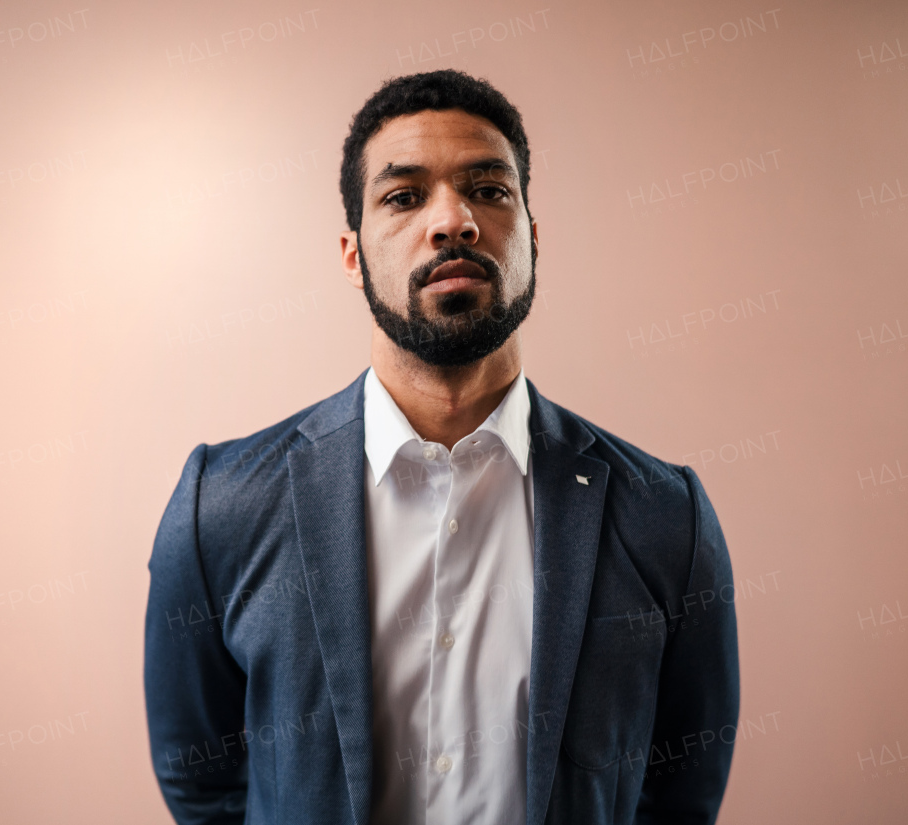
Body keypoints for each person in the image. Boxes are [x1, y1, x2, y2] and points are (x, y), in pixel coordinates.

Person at [144, 69, 739, 825]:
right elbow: (202, 782)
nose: (452, 220)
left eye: (489, 190)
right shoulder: (221, 505)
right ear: (352, 254)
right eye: (403, 196)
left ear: (532, 237)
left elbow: (681, 792)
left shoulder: (663, 515)